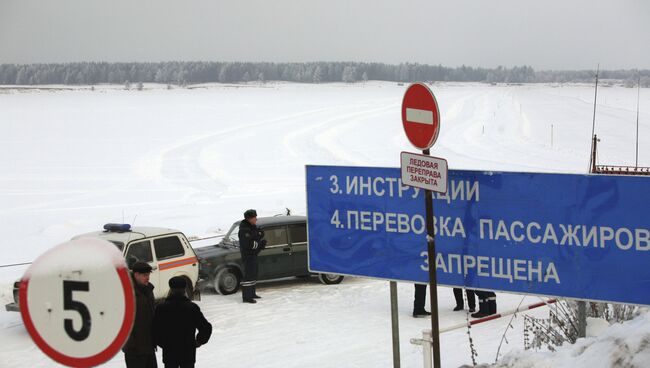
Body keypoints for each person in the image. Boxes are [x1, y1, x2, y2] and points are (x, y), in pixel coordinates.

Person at [153, 276, 212, 368]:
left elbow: (155, 329)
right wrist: (199, 341)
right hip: (188, 354)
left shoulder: (161, 308)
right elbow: (206, 327)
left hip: (170, 354)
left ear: (171, 289)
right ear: (184, 290)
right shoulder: (192, 308)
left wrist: (163, 343)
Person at [123, 261, 157, 368]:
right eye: (145, 275)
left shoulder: (148, 290)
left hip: (149, 346)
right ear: (136, 274)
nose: (148, 278)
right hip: (134, 351)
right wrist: (130, 345)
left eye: (148, 275)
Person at [238, 209, 267, 303]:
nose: (256, 219)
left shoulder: (252, 226)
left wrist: (257, 238)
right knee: (248, 276)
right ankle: (246, 297)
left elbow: (261, 233)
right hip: (248, 256)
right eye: (254, 217)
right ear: (249, 218)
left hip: (253, 254)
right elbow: (249, 244)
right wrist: (259, 244)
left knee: (254, 274)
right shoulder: (244, 230)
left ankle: (252, 293)